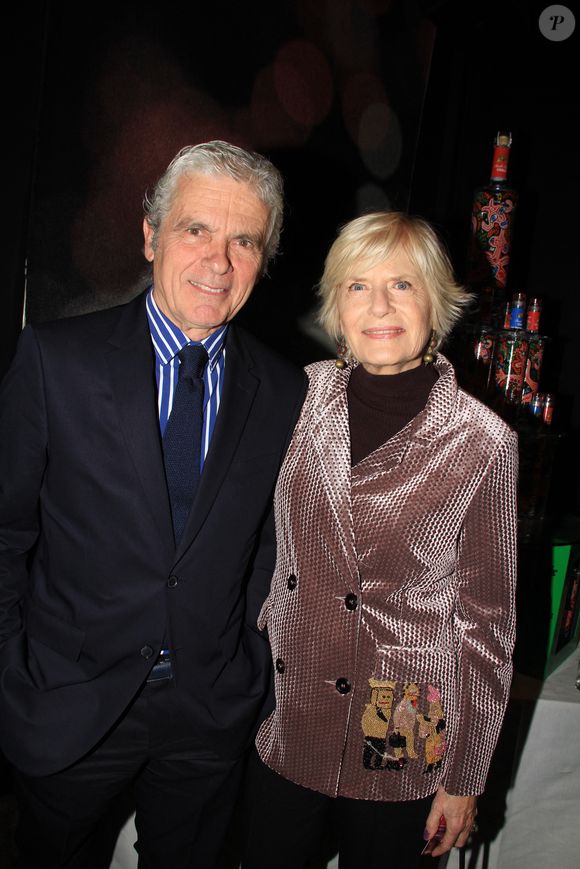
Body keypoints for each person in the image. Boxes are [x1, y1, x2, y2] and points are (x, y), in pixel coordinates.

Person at [0, 139, 307, 869]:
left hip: (208, 714)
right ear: (150, 232)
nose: (219, 261)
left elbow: (269, 544)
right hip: (70, 704)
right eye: (196, 229)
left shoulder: (285, 390)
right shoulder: (54, 360)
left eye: (244, 240)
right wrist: (14, 678)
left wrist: (250, 667)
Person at [241, 211, 518, 868]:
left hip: (404, 709)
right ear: (336, 304)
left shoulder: (482, 440)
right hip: (294, 693)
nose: (380, 306)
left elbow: (488, 629)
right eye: (358, 286)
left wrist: (464, 776)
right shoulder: (297, 396)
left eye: (402, 285)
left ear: (435, 302)